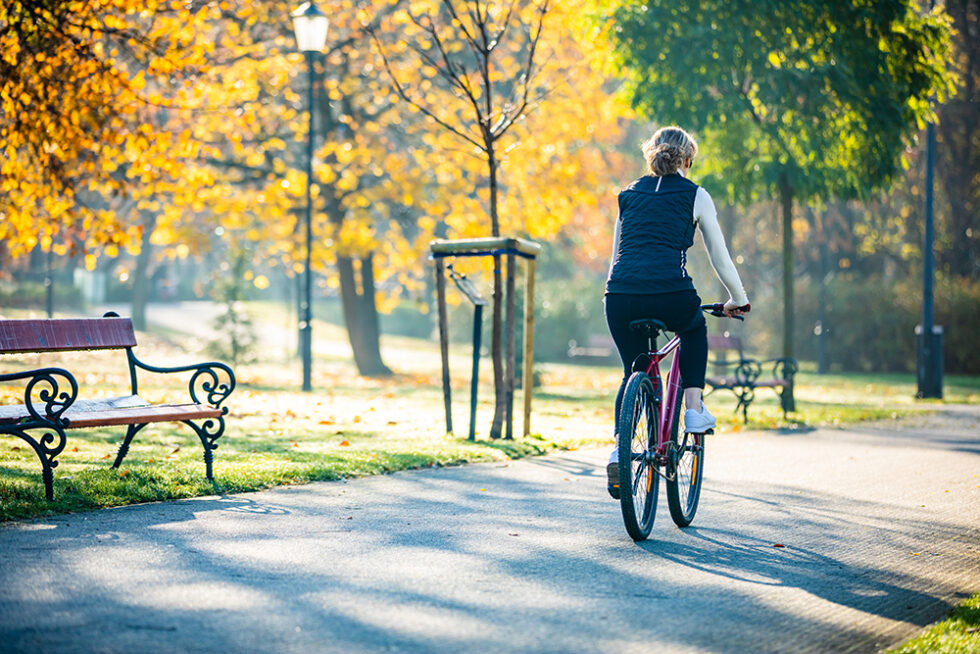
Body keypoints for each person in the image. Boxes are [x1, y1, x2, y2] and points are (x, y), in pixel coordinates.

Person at [605, 126, 749, 498]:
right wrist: (739, 297)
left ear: (650, 157)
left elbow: (616, 258)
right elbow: (719, 257)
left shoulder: (628, 195)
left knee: (634, 370)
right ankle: (694, 409)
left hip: (620, 295)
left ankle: (620, 449)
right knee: (693, 328)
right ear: (688, 160)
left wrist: (613, 295)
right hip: (670, 292)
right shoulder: (696, 194)